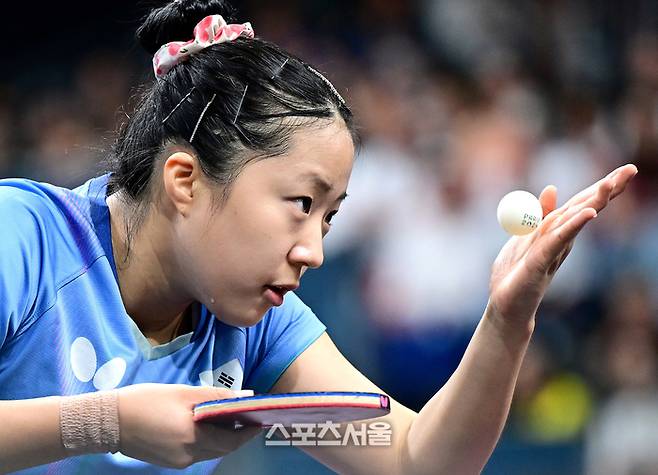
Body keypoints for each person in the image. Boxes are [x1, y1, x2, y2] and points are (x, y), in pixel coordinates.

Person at [0, 1, 638, 473]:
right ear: (186, 180)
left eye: (328, 217)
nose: (315, 250)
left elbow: (417, 461)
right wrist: (103, 421)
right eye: (300, 204)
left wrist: (506, 317)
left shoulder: (257, 324)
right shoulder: (24, 238)